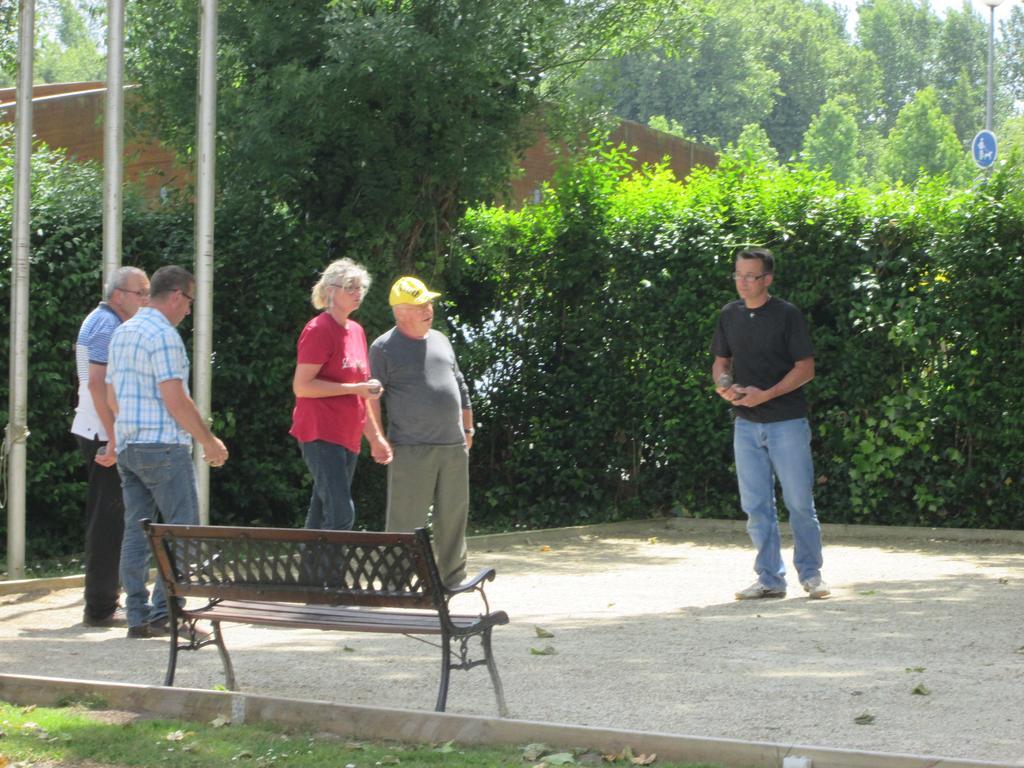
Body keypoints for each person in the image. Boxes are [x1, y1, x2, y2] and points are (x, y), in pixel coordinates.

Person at [106, 265, 230, 638]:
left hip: (129, 445)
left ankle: (137, 617)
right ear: (176, 295)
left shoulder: (123, 331)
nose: (189, 310)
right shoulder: (164, 335)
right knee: (180, 529)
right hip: (163, 446)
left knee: (135, 531)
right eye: (189, 301)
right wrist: (209, 441)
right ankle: (168, 613)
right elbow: (175, 398)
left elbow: (111, 396)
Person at [710, 248, 829, 600]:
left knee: (799, 503)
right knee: (756, 507)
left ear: (768, 279)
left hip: (787, 422)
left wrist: (767, 394)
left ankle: (811, 576)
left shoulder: (787, 315)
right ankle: (769, 579)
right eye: (738, 275)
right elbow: (720, 362)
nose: (743, 283)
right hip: (745, 425)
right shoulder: (728, 315)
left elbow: (805, 369)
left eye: (751, 276)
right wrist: (724, 388)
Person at [368, 277, 474, 587]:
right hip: (411, 447)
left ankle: (453, 580)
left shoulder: (441, 338)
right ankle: (394, 581)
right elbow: (371, 396)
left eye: (429, 303)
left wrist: (468, 427)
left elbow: (461, 385)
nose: (429, 309)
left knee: (453, 516)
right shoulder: (383, 348)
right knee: (405, 520)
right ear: (401, 312)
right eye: (420, 305)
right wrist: (377, 438)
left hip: (453, 445)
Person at [71, 266, 150, 627]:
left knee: (112, 517)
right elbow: (97, 386)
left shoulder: (103, 321)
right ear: (119, 295)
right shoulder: (107, 326)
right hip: (102, 431)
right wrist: (114, 437)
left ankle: (103, 601)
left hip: (99, 428)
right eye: (141, 293)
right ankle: (101, 607)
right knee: (108, 520)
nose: (146, 300)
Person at [290, 259, 390, 530]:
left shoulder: (356, 331)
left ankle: (312, 573)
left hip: (348, 436)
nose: (358, 293)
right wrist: (355, 389)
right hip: (320, 433)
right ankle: (330, 573)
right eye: (350, 287)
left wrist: (376, 438)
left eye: (361, 287)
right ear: (331, 291)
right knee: (340, 513)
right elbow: (302, 386)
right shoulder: (318, 330)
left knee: (323, 510)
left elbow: (361, 392)